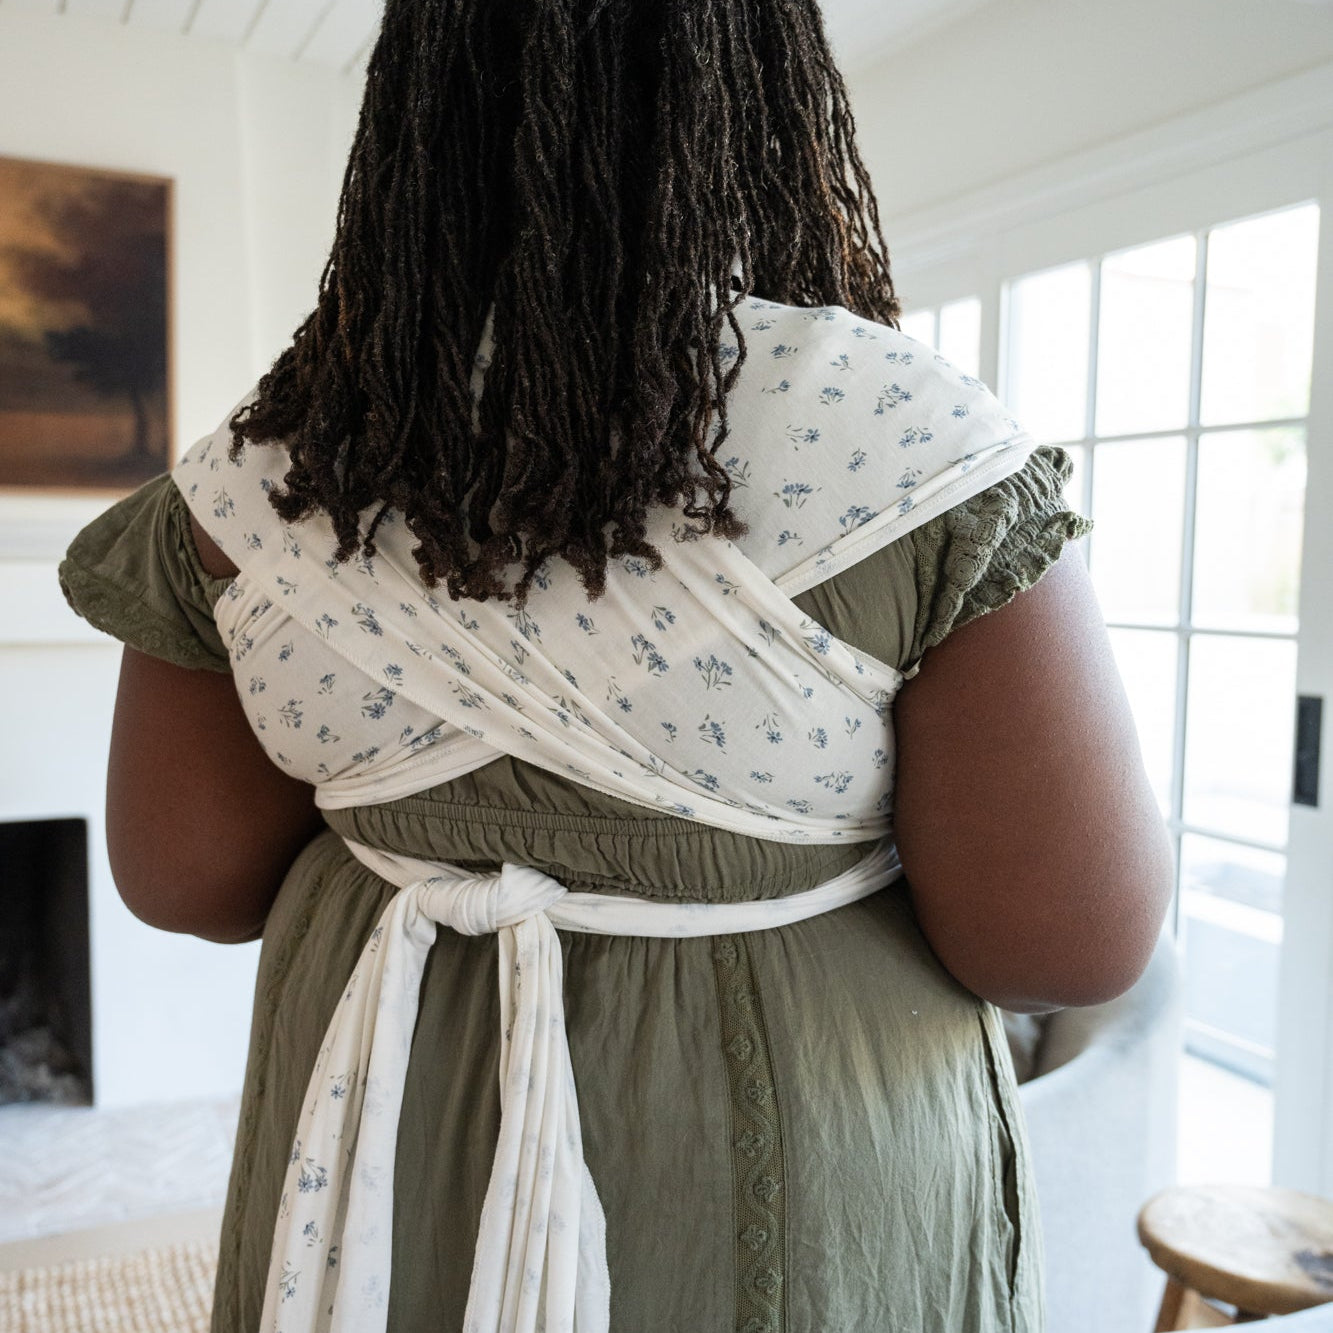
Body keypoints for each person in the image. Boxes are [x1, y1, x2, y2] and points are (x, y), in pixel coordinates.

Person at [58, 1, 1174, 1329]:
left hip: (389, 1144)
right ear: (756, 98)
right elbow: (1066, 935)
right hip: (775, 1196)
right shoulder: (898, 437)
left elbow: (183, 876)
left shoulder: (270, 469)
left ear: (415, 117)